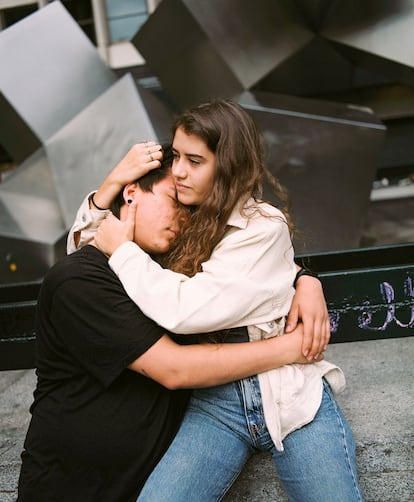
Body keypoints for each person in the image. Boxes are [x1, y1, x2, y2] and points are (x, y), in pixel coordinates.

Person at [68, 100, 362, 501]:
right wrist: (113, 184)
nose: (178, 171)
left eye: (194, 160)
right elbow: (87, 258)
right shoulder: (181, 213)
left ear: (228, 165)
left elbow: (186, 310)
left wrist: (305, 279)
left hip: (288, 393)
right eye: (175, 156)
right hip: (214, 401)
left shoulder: (263, 225)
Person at [17, 149, 318, 502]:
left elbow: (251, 267)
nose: (184, 219)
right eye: (175, 201)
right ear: (131, 193)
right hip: (69, 490)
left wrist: (305, 278)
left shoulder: (167, 272)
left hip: (145, 485)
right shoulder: (80, 278)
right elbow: (174, 369)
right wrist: (290, 348)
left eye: (191, 211)